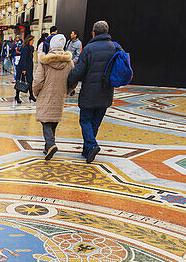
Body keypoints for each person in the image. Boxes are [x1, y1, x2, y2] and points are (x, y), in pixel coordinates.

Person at [66, 19, 118, 163]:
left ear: (94, 33)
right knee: (94, 122)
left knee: (85, 120)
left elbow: (79, 71)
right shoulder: (115, 48)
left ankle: (92, 145)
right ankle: (87, 150)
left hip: (89, 92)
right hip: (106, 91)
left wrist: (69, 82)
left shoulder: (89, 49)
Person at [32, 32, 74, 161]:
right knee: (53, 119)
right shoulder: (69, 62)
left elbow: (38, 80)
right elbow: (73, 79)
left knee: (45, 121)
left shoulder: (44, 61)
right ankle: (48, 147)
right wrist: (68, 90)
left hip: (45, 93)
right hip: (59, 94)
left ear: (51, 46)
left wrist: (36, 92)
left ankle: (50, 144)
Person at [15, 34, 36, 104]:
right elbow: (23, 59)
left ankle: (31, 95)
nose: (33, 42)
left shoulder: (30, 48)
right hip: (23, 67)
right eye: (32, 41)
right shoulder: (25, 48)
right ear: (29, 41)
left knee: (30, 81)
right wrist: (23, 69)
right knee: (20, 81)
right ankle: (17, 96)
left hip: (29, 67)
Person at [67, 31, 82, 96]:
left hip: (73, 64)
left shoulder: (78, 43)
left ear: (75, 35)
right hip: (66, 62)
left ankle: (72, 89)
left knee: (72, 78)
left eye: (72, 33)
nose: (71, 34)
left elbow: (78, 55)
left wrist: (72, 62)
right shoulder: (69, 42)